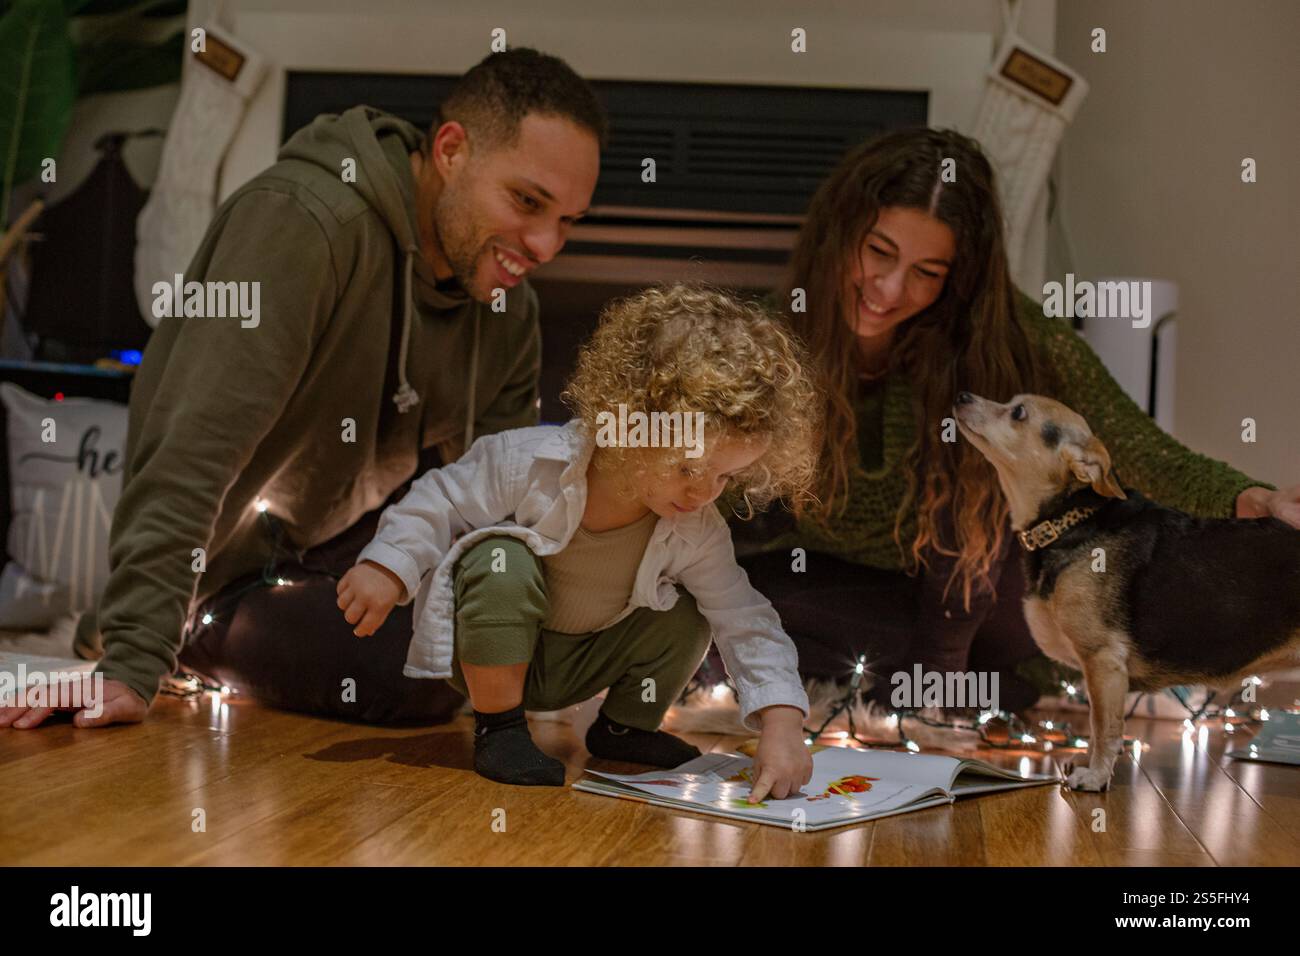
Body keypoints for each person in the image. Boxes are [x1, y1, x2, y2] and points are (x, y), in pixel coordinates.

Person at [1, 48, 605, 730]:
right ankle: (150, 634)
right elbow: (191, 450)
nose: (547, 244)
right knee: (419, 672)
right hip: (232, 575)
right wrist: (137, 655)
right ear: (451, 151)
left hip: (358, 554)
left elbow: (498, 495)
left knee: (500, 637)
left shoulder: (507, 309)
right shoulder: (302, 224)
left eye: (568, 221)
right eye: (528, 202)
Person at [733, 127, 1300, 714]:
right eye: (879, 251)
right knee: (738, 603)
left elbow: (1142, 451)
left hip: (984, 601)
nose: (891, 288)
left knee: (976, 482)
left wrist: (1250, 499)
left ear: (958, 276)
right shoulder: (774, 339)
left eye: (928, 272)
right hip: (857, 592)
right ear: (840, 231)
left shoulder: (1010, 338)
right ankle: (976, 688)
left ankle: (940, 682)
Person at [337, 284, 820, 794]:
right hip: (493, 651)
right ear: (633, 423)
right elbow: (440, 498)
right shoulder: (529, 460)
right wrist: (388, 566)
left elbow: (741, 615)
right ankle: (499, 729)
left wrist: (782, 717)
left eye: (725, 477)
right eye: (689, 468)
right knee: (500, 557)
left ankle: (625, 728)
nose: (705, 493)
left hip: (589, 661)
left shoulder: (695, 529)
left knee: (692, 608)